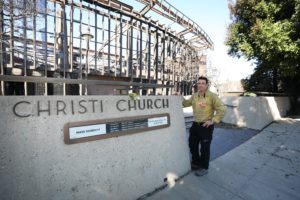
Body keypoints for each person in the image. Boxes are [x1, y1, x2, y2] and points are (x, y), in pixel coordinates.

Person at [181, 76, 226, 176]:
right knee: (192, 145)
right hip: (195, 125)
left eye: (203, 83)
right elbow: (185, 103)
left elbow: (222, 109)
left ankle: (204, 167)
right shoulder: (195, 95)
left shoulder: (212, 96)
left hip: (206, 126)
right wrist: (178, 96)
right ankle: (196, 163)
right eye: (199, 83)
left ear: (206, 85)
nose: (200, 85)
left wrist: (213, 120)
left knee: (205, 148)